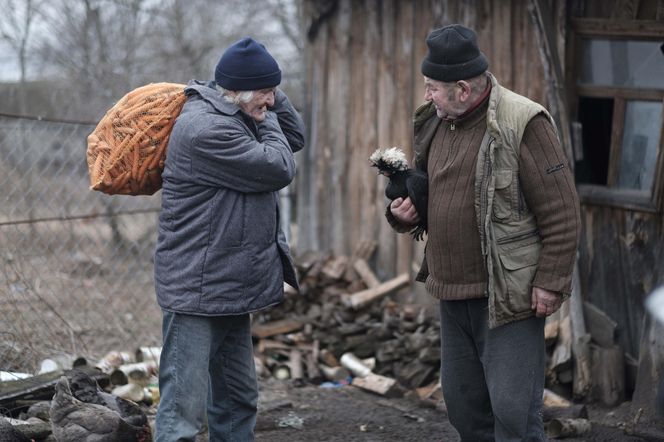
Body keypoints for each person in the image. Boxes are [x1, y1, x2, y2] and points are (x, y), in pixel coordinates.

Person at [387, 24, 580, 441]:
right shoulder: (434, 122)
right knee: (463, 407)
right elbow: (434, 194)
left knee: (512, 411)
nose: (426, 96)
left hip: (507, 293)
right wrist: (406, 215)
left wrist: (551, 281)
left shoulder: (523, 122)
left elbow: (563, 211)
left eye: (432, 87)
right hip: (452, 292)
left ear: (462, 88)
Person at [153, 37, 305, 442]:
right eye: (266, 94)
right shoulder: (206, 128)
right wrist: (260, 109)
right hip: (196, 289)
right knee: (182, 412)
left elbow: (297, 137)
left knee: (237, 401)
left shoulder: (237, 111)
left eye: (274, 93)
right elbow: (278, 165)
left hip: (229, 284)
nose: (272, 103)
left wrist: (262, 91)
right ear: (235, 93)